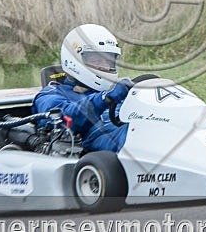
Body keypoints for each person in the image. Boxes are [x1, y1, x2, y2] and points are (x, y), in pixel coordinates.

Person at [31, 24, 133, 153]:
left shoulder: (118, 92)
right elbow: (64, 119)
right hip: (99, 144)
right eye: (97, 60)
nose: (103, 66)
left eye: (108, 61)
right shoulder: (51, 94)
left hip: (136, 129)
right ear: (74, 59)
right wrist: (104, 98)